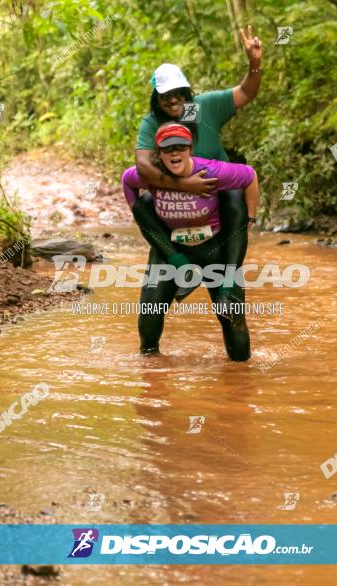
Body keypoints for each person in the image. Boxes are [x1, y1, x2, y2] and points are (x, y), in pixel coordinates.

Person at [132, 26, 263, 284]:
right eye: (166, 95)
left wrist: (254, 63)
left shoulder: (201, 108)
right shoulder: (151, 122)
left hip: (219, 200)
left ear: (187, 93)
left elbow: (246, 92)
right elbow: (143, 167)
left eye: (179, 93)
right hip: (174, 208)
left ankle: (228, 282)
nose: (173, 100)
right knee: (142, 205)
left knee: (234, 198)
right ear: (156, 99)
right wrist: (185, 185)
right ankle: (175, 260)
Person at [122, 123, 260, 361]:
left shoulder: (212, 171)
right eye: (168, 149)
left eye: (180, 147)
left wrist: (250, 215)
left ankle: (240, 376)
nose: (175, 153)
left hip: (215, 249)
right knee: (150, 313)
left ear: (190, 148)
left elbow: (250, 175)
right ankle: (152, 375)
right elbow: (127, 181)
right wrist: (140, 213)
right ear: (159, 154)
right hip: (171, 248)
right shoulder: (148, 175)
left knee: (232, 319)